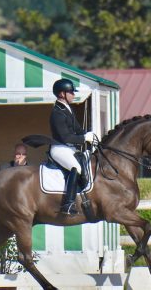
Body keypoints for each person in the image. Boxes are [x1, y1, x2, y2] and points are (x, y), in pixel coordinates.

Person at [49, 78, 94, 215]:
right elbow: (65, 137)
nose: (73, 95)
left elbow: (77, 129)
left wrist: (89, 135)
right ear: (62, 94)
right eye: (71, 92)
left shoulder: (67, 109)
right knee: (77, 168)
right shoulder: (57, 112)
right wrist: (83, 138)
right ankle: (68, 204)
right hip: (59, 148)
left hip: (69, 148)